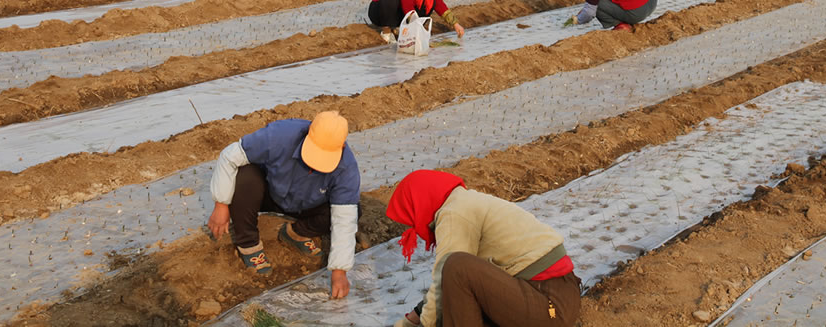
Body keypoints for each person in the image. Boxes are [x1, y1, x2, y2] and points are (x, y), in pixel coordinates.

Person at [386, 170, 581, 327]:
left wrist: (425, 323)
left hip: (549, 306)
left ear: (419, 203)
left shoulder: (455, 214)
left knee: (457, 266)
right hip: (551, 298)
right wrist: (413, 317)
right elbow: (448, 286)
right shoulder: (465, 202)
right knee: (459, 299)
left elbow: (445, 279)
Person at [206, 111, 359, 298]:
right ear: (308, 133)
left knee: (353, 210)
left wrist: (339, 271)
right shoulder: (279, 135)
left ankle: (296, 232)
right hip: (269, 193)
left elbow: (345, 218)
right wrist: (221, 204)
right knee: (245, 176)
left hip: (306, 206)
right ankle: (249, 245)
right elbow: (230, 155)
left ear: (342, 146)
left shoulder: (346, 167)